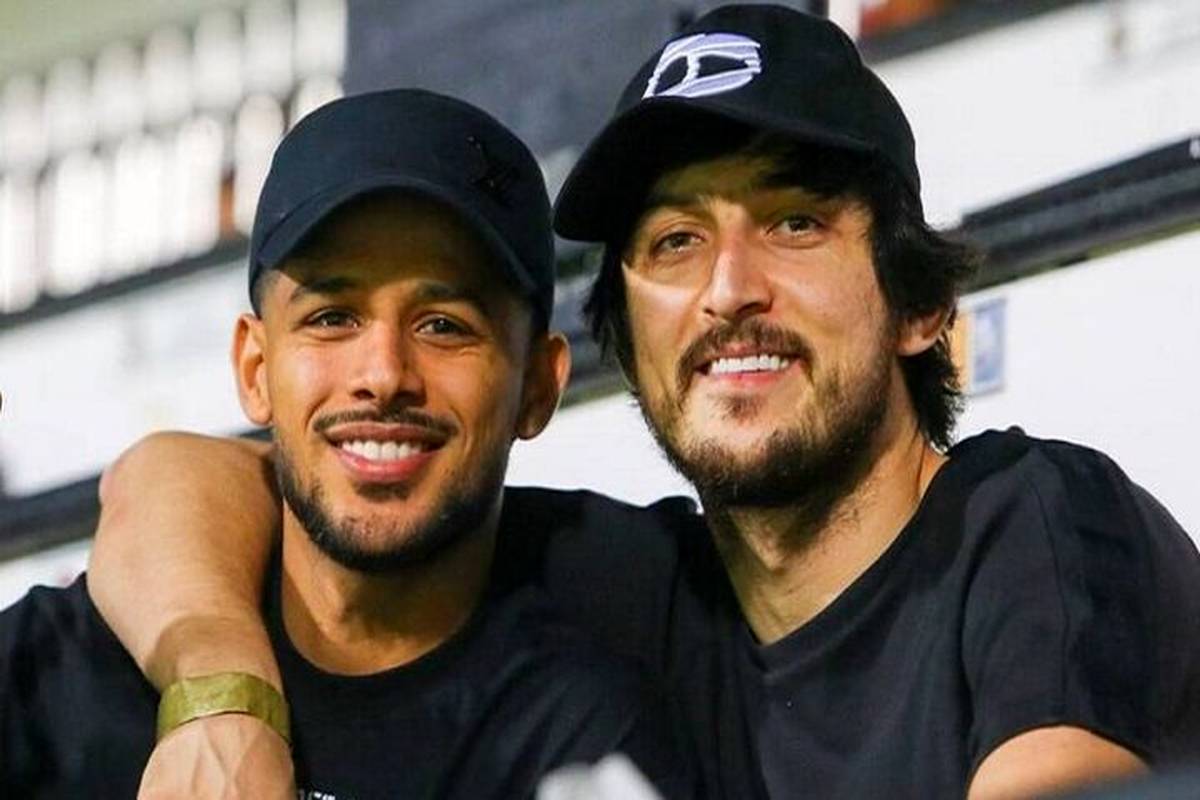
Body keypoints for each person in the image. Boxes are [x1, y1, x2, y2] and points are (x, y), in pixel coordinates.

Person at [86, 6, 1200, 800]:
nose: (728, 290)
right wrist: (221, 693)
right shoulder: (638, 580)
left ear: (919, 305)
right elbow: (182, 478)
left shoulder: (1036, 523)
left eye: (794, 222)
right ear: (624, 340)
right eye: (674, 241)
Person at [0, 88, 691, 800]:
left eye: (444, 325)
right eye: (332, 318)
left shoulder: (591, 714)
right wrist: (221, 696)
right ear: (255, 369)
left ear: (539, 387)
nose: (383, 375)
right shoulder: (77, 671)